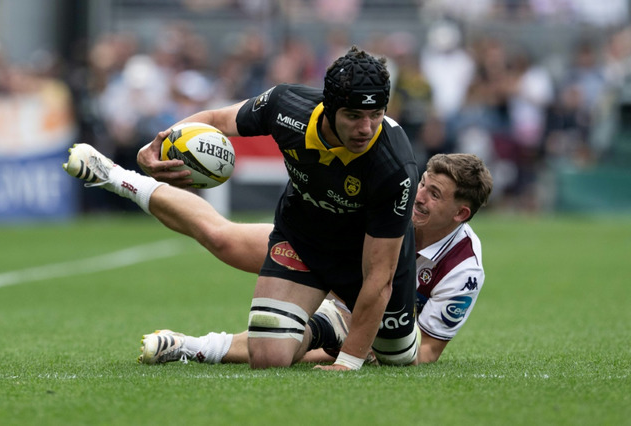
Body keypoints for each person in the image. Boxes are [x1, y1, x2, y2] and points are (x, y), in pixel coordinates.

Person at [64, 46, 420, 371]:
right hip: (304, 240)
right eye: (354, 115)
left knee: (398, 357)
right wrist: (159, 144)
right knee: (268, 357)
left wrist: (348, 363)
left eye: (376, 114)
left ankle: (334, 324)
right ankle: (119, 177)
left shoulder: (393, 165)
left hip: (365, 260)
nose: (365, 128)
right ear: (328, 106)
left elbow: (379, 277)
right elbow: (216, 120)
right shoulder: (287, 106)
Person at [133, 153, 492, 366]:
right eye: (423, 183)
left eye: (434, 194)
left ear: (460, 213)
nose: (419, 196)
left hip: (360, 318)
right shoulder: (393, 199)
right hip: (325, 254)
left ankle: (186, 345)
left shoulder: (463, 270)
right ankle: (122, 180)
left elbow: (426, 351)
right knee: (222, 239)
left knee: (287, 349)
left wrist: (359, 346)